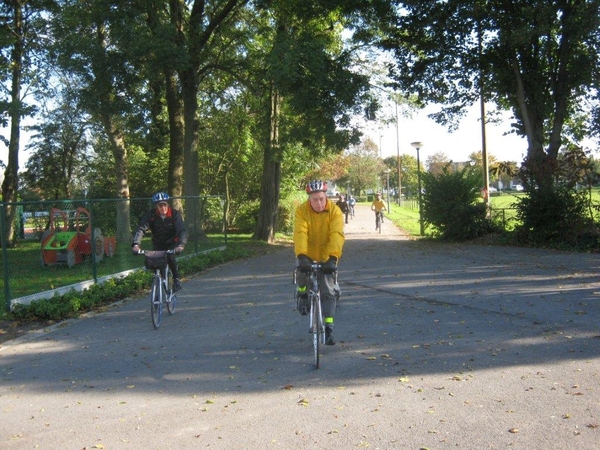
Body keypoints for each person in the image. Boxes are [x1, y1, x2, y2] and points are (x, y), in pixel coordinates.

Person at [294, 180, 345, 345]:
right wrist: (302, 255)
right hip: (307, 253)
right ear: (309, 199)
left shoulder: (335, 211)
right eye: (315, 199)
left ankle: (329, 327)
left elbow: (336, 233)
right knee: (301, 274)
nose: (319, 203)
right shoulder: (301, 211)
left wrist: (333, 257)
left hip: (326, 255)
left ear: (326, 196)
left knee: (328, 291)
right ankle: (302, 294)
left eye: (321, 199)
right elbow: (300, 232)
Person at [132, 192, 187, 292]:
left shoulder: (174, 214)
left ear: (167, 204)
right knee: (155, 262)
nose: (163, 208)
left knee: (170, 257)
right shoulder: (151, 215)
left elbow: (182, 230)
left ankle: (176, 279)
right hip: (158, 243)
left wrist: (181, 245)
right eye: (160, 205)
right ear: (156, 206)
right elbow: (141, 229)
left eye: (164, 205)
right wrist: (136, 244)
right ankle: (159, 282)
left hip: (172, 243)